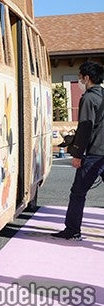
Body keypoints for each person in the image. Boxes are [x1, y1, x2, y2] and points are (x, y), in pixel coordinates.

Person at [51, 61, 104, 241]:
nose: (79, 80)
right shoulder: (103, 95)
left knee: (78, 192)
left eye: (80, 77)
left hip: (94, 152)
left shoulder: (88, 98)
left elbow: (84, 128)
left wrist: (77, 155)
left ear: (87, 78)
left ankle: (72, 230)